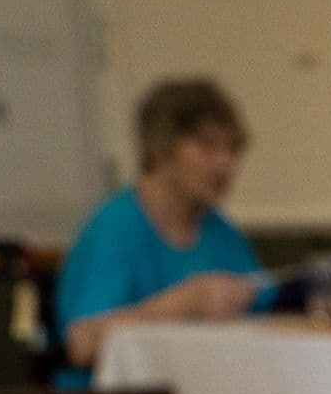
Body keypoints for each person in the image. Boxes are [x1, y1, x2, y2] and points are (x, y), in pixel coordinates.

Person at [57, 78, 264, 375]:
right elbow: (82, 344)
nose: (223, 163)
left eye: (233, 149)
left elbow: (263, 305)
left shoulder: (221, 232)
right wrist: (183, 304)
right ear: (158, 148)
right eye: (207, 146)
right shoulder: (113, 228)